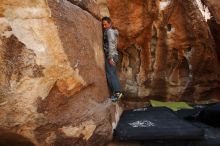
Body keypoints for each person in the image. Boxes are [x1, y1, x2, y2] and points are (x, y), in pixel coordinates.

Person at [102, 16, 123, 102]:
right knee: (113, 74)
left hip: (111, 55)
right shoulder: (111, 31)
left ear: (110, 24)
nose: (104, 26)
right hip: (114, 55)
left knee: (110, 75)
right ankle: (118, 93)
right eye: (103, 25)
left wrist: (110, 57)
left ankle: (117, 94)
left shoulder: (109, 31)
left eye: (106, 24)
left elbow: (111, 44)